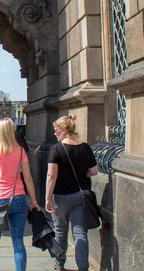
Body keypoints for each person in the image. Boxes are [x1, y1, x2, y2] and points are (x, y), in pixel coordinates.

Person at [0, 118, 40, 271]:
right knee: (18, 241)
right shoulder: (20, 151)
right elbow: (28, 178)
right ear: (13, 132)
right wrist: (34, 200)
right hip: (18, 198)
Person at [46, 114, 99, 271]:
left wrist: (47, 198)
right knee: (80, 233)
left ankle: (59, 264)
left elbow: (51, 175)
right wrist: (84, 175)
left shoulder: (56, 149)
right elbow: (94, 170)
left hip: (60, 196)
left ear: (64, 130)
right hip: (80, 196)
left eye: (56, 130)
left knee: (60, 231)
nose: (55, 133)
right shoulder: (85, 147)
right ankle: (83, 267)